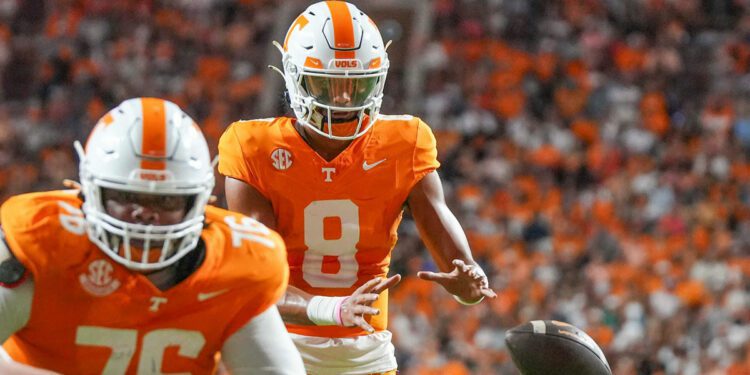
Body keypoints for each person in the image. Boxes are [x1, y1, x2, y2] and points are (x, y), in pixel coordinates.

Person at [218, 2, 497, 374]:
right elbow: (256, 279)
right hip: (274, 342)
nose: (345, 100)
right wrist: (332, 309)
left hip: (364, 350)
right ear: (294, 77)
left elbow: (458, 266)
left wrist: (468, 282)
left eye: (357, 85)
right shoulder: (253, 146)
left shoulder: (405, 142)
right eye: (328, 85)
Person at [0, 98, 305, 374]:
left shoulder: (236, 264)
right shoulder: (41, 244)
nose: (144, 214)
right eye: (126, 196)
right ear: (89, 192)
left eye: (166, 200)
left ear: (199, 202)